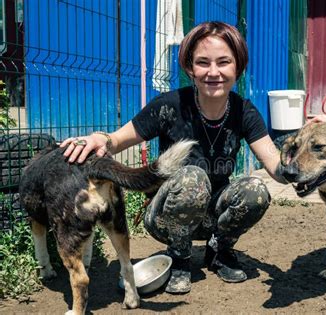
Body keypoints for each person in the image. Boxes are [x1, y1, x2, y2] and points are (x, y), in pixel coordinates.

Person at [61, 21, 287, 294]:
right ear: (190, 68)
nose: (213, 72)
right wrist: (101, 139)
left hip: (212, 216)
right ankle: (179, 258)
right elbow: (118, 139)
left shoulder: (244, 112)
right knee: (192, 177)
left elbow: (276, 165)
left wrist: (313, 154)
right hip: (166, 216)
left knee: (256, 190)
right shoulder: (170, 106)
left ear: (237, 66)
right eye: (203, 63)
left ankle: (219, 249)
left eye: (223, 62)